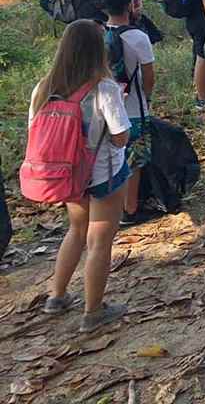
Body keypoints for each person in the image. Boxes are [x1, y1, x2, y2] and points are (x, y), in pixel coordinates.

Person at [32, 20, 132, 332]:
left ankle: (57, 296)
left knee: (76, 231)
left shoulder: (44, 88)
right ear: (98, 51)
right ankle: (93, 312)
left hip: (67, 176)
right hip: (103, 176)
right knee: (99, 241)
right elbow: (121, 138)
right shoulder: (105, 89)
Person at [100, 0, 156, 223]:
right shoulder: (138, 37)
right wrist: (147, 97)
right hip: (134, 109)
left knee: (109, 159)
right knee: (134, 161)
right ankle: (130, 209)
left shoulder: (98, 34)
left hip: (103, 110)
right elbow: (149, 78)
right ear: (129, 6)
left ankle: (109, 208)